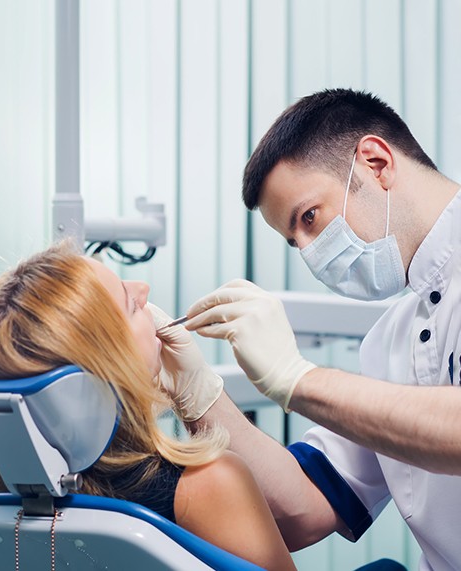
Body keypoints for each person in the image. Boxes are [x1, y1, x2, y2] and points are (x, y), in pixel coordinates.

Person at [158, 89, 461, 571]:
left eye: (310, 218)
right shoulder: (389, 342)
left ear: (376, 163)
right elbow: (304, 510)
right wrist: (197, 390)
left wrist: (297, 379)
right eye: (295, 241)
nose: (311, 253)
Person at [0, 242, 296, 571]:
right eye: (131, 305)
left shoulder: (9, 506)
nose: (144, 289)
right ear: (114, 365)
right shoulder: (208, 485)